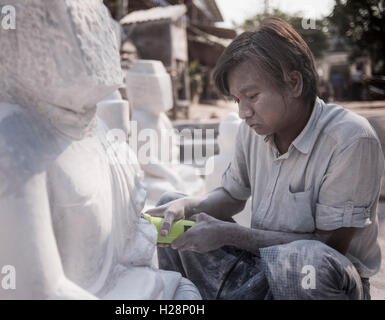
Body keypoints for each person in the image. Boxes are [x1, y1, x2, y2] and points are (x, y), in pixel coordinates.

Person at [146, 17, 384, 300]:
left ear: (294, 83)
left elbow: (328, 247)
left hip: (313, 282)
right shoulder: (255, 130)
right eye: (237, 100)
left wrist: (227, 234)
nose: (243, 112)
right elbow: (233, 196)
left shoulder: (350, 139)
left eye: (252, 96)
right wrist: (188, 205)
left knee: (305, 262)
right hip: (258, 269)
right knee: (170, 208)